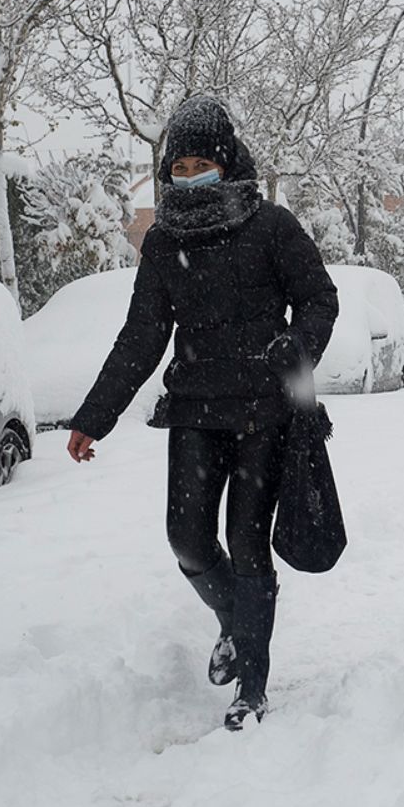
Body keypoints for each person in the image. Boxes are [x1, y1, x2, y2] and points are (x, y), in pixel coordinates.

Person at [66, 96, 339, 730]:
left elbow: (319, 298)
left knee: (247, 544)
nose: (190, 175)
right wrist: (93, 416)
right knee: (186, 539)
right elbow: (141, 335)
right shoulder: (164, 242)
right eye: (179, 166)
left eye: (202, 162)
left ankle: (253, 681)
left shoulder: (271, 227)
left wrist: (298, 348)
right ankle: (233, 622)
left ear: (227, 161)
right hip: (194, 411)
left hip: (263, 413)